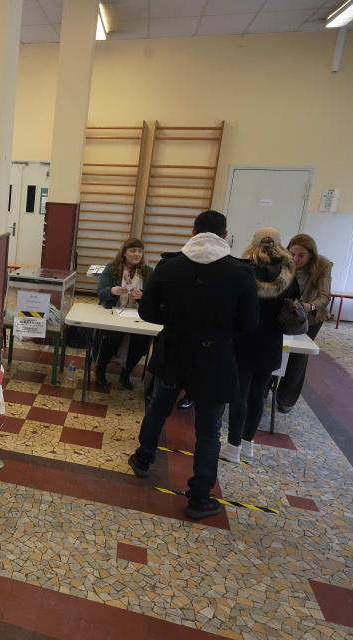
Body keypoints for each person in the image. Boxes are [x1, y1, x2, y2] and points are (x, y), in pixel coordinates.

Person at [127, 210, 258, 519]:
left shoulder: (169, 266)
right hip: (215, 357)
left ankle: (143, 460)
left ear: (192, 231)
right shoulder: (240, 273)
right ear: (225, 236)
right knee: (209, 431)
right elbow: (250, 323)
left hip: (173, 351)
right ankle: (200, 498)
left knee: (159, 408)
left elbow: (147, 312)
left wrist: (173, 322)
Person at [222, 228, 299, 465]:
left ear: (253, 244)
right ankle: (248, 444)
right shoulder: (290, 275)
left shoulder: (243, 271)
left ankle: (232, 446)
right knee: (258, 395)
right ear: (280, 245)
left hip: (244, 341)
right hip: (271, 343)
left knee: (240, 395)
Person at [276, 233, 332, 413]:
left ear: (311, 256)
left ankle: (286, 399)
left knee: (298, 356)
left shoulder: (323, 265)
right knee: (275, 349)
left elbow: (325, 296)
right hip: (284, 313)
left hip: (310, 317)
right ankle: (264, 388)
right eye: (292, 253)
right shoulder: (282, 261)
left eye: (301, 256)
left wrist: (310, 305)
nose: (295, 259)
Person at [95, 238, 152, 389]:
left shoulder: (148, 271)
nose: (137, 254)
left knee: (142, 339)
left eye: (140, 251)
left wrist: (143, 296)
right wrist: (112, 291)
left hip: (137, 315)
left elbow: (154, 297)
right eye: (133, 250)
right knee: (112, 336)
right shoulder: (112, 268)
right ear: (124, 253)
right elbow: (100, 293)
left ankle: (126, 373)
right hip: (114, 312)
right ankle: (100, 369)